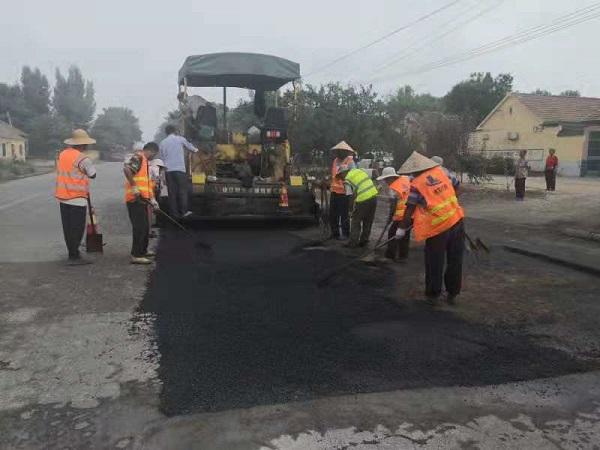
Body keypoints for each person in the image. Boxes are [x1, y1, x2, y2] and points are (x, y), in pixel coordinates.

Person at [396, 152, 465, 305]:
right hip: (457, 221)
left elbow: (409, 209)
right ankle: (452, 293)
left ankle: (433, 293)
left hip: (438, 228)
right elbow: (459, 188)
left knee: (435, 260)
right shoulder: (443, 172)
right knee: (455, 259)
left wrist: (401, 229)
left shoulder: (416, 184)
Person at [55, 129, 97, 265]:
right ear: (84, 145)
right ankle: (75, 256)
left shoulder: (62, 154)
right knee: (77, 228)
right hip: (77, 198)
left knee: (67, 228)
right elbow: (92, 174)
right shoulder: (83, 158)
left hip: (63, 196)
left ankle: (72, 253)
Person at [124, 142, 159, 265]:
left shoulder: (145, 163)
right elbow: (127, 169)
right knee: (139, 227)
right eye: (154, 154)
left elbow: (148, 184)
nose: (153, 157)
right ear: (151, 151)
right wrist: (134, 187)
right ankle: (136, 255)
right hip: (135, 199)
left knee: (145, 227)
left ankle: (143, 250)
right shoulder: (139, 157)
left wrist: (153, 199)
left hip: (143, 200)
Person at [159, 125, 198, 219]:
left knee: (172, 192)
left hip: (168, 170)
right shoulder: (180, 139)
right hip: (179, 169)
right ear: (175, 131)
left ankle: (174, 214)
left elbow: (162, 158)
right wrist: (197, 150)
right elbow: (192, 148)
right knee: (182, 191)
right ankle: (184, 212)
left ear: (166, 132)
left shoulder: (162, 143)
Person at [336, 166, 379, 248]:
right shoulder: (360, 170)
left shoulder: (347, 180)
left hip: (363, 200)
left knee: (355, 221)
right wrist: (378, 183)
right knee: (368, 220)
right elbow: (375, 172)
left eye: (340, 176)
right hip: (373, 197)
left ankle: (353, 243)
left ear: (343, 173)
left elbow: (351, 197)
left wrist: (350, 210)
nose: (341, 178)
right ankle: (364, 241)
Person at [376, 167, 411, 261]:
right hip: (411, 213)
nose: (386, 182)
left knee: (392, 233)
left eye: (386, 179)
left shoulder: (393, 188)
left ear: (390, 178)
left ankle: (390, 255)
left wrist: (390, 218)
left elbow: (393, 205)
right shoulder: (405, 179)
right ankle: (403, 256)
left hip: (402, 215)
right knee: (405, 235)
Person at [328, 141, 357, 240]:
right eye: (338, 151)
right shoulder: (335, 161)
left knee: (344, 214)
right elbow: (333, 175)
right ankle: (334, 233)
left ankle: (346, 233)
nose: (339, 153)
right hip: (334, 191)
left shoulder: (350, 161)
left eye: (341, 151)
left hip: (344, 192)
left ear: (345, 152)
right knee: (333, 213)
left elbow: (353, 176)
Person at [149, 158, 168, 229]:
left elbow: (162, 183)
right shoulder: (153, 170)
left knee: (159, 207)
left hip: (158, 192)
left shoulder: (160, 172)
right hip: (153, 191)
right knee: (155, 207)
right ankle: (158, 222)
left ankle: (160, 222)